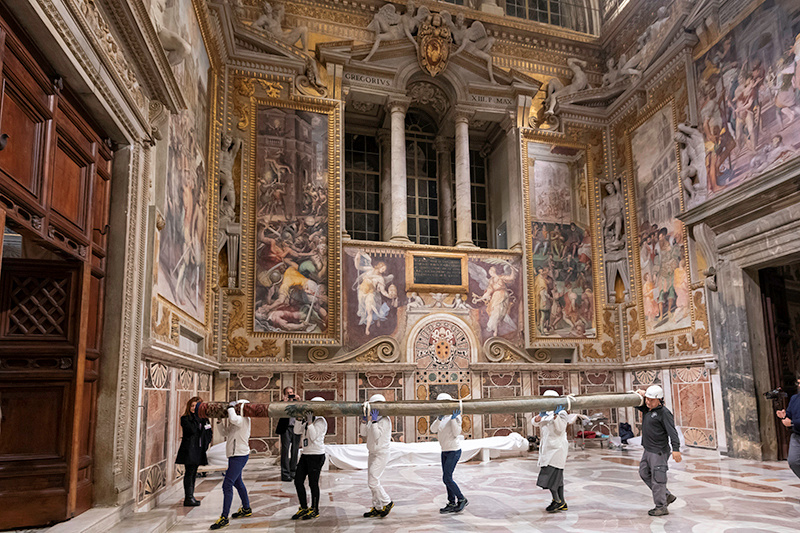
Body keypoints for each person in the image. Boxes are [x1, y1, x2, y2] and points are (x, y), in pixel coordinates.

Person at [635, 386, 682, 516]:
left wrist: (676, 449)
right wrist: (641, 394)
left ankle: (661, 506)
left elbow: (672, 432)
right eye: (647, 400)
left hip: (659, 451)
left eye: (651, 400)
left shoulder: (664, 413)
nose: (648, 402)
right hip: (648, 449)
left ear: (659, 400)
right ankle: (666, 495)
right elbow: (635, 403)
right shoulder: (647, 409)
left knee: (658, 479)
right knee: (644, 473)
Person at [532, 390, 578, 513]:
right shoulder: (546, 413)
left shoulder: (561, 412)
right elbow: (535, 423)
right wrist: (540, 416)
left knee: (550, 476)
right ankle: (561, 502)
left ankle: (556, 500)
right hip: (547, 448)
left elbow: (560, 428)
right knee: (558, 478)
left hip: (557, 449)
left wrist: (556, 416)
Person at [210, 399, 253, 530]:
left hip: (239, 456)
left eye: (237, 407)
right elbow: (224, 433)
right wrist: (219, 420)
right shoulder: (237, 421)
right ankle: (246, 508)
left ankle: (224, 517)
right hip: (234, 455)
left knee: (227, 484)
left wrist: (230, 407)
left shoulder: (243, 419)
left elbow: (234, 419)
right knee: (238, 482)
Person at [430, 393, 468, 514]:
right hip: (445, 451)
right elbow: (432, 429)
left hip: (454, 451)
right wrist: (439, 418)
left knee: (447, 478)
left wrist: (453, 419)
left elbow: (457, 433)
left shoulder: (455, 416)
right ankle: (451, 502)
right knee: (447, 478)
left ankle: (462, 499)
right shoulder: (441, 417)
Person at [292, 397, 328, 520]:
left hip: (316, 455)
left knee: (313, 483)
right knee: (298, 481)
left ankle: (315, 509)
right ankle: (303, 507)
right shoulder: (309, 420)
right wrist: (298, 419)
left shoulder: (321, 421)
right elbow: (297, 431)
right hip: (306, 454)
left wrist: (310, 423)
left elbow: (312, 437)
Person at [361, 394, 394, 518]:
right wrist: (364, 421)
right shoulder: (373, 420)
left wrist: (373, 422)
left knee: (373, 481)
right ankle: (377, 507)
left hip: (381, 453)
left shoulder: (385, 420)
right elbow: (363, 433)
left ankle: (387, 502)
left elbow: (376, 436)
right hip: (372, 453)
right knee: (372, 480)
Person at [175, 396, 212, 507]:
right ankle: (188, 497)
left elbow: (209, 432)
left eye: (196, 406)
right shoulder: (185, 418)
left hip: (199, 449)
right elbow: (191, 430)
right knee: (189, 473)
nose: (193, 408)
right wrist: (198, 418)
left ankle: (191, 496)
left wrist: (206, 444)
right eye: (192, 406)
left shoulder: (204, 419)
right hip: (189, 450)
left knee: (194, 473)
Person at [775, 374, 800, 479]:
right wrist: (784, 416)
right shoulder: (794, 398)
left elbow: (792, 422)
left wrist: (793, 423)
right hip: (797, 435)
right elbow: (789, 415)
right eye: (798, 382)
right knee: (793, 461)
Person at [276, 387, 301, 481]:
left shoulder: (297, 402)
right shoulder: (282, 403)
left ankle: (293, 471)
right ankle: (285, 473)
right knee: (285, 450)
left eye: (291, 392)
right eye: (288, 393)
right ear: (284, 394)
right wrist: (284, 402)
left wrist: (299, 400)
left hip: (296, 427)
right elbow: (278, 411)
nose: (290, 394)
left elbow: (302, 411)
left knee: (295, 450)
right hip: (286, 428)